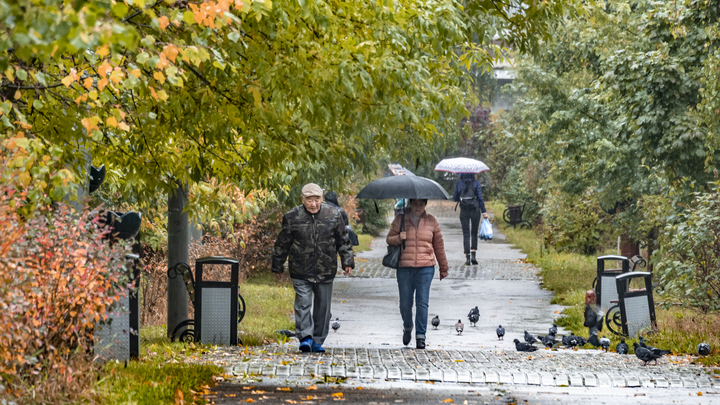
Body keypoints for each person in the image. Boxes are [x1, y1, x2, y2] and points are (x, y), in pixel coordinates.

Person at [272, 183, 355, 353]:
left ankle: (317, 340)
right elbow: (282, 243)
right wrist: (278, 265)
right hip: (300, 269)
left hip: (326, 269)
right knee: (302, 303)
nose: (313, 204)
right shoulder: (292, 217)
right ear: (302, 199)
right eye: (309, 200)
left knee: (323, 307)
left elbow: (343, 240)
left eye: (316, 199)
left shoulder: (334, 215)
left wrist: (347, 261)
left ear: (322, 199)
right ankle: (305, 337)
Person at [386, 198, 449, 349]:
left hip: (425, 268)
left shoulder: (432, 221)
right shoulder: (400, 219)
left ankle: (421, 336)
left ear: (425, 205)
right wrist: (398, 238)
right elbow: (389, 239)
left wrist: (443, 267)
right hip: (405, 267)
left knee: (422, 303)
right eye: (415, 204)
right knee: (405, 304)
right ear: (410, 204)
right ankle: (408, 326)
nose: (418, 207)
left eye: (421, 204)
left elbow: (439, 246)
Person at [453, 173, 489, 266]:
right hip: (475, 210)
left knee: (466, 233)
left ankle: (467, 258)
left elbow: (455, 198)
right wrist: (484, 212)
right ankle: (474, 256)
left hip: (464, 211)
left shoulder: (458, 183)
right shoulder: (476, 183)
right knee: (474, 233)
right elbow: (480, 198)